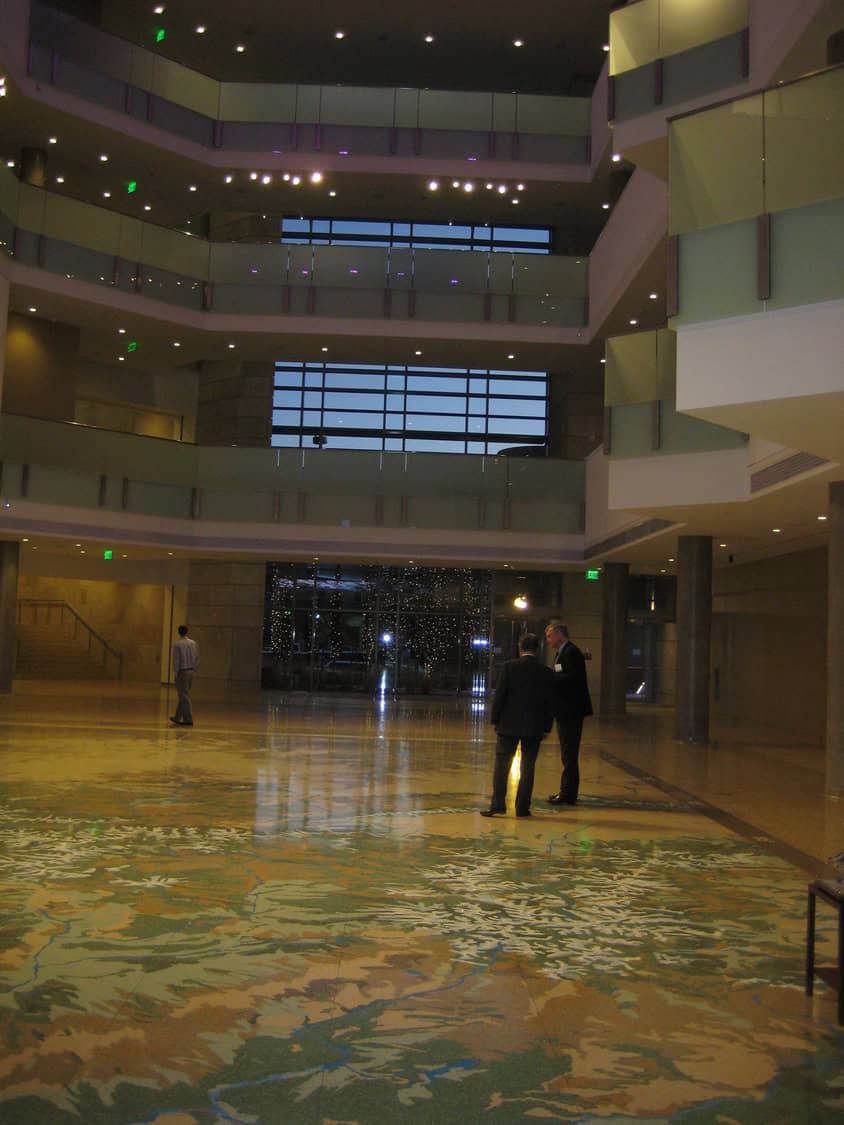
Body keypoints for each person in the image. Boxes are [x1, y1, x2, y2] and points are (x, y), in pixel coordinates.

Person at [481, 632, 555, 818]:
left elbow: (501, 696)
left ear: (520, 647)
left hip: (508, 724)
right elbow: (549, 702)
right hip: (534, 725)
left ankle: (497, 804)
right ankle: (522, 807)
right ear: (537, 649)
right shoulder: (545, 672)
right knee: (528, 766)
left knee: (502, 765)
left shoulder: (508, 667)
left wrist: (495, 719)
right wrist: (546, 727)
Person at [545, 620, 593, 806]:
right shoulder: (562, 653)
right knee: (567, 752)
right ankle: (567, 791)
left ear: (559, 634)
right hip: (566, 710)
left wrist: (552, 678)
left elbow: (572, 678)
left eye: (550, 636)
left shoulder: (571, 652)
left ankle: (568, 793)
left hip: (570, 711)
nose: (549, 641)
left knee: (569, 752)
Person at [170, 624, 199, 727]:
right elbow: (196, 657)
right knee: (184, 694)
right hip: (191, 671)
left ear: (179, 632)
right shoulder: (193, 643)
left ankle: (188, 719)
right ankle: (178, 717)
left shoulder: (177, 644)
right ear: (187, 631)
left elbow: (176, 660)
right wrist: (194, 669)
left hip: (182, 671)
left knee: (183, 695)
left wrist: (176, 673)